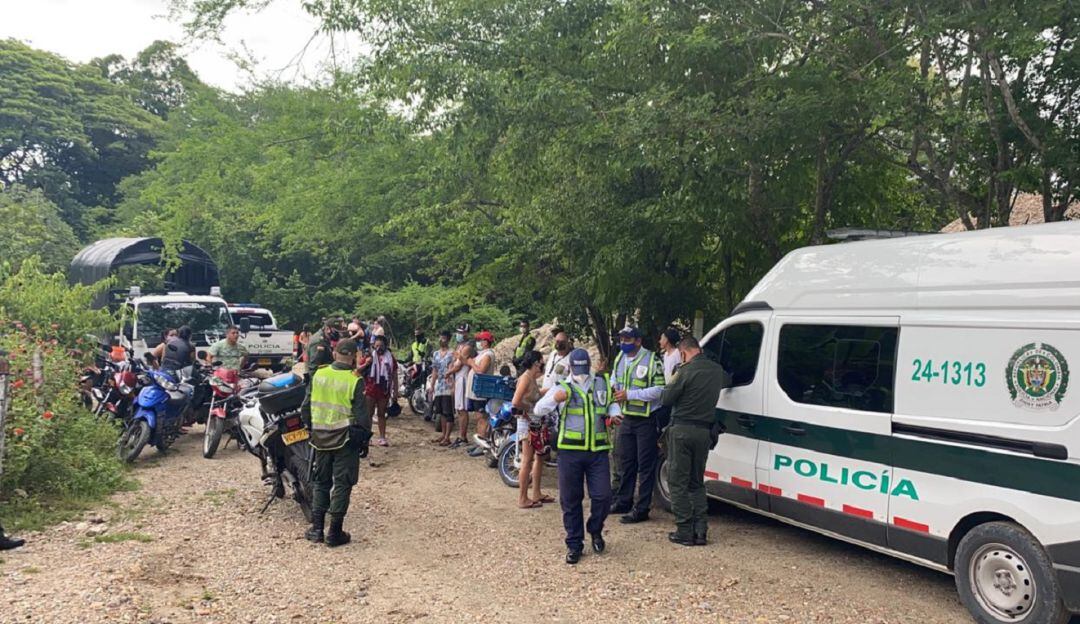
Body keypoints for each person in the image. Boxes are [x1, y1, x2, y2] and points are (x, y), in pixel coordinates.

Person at [534, 349, 622, 564]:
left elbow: (609, 402)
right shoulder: (562, 386)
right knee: (570, 500)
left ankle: (595, 528)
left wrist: (614, 413)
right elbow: (538, 409)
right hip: (570, 451)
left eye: (584, 368)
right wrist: (555, 398)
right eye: (578, 369)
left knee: (603, 496)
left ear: (588, 365)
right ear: (571, 367)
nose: (581, 372)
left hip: (598, 450)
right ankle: (574, 544)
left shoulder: (601, 382)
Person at [301, 339, 372, 547]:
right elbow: (362, 415)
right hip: (344, 440)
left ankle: (316, 529)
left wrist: (310, 428)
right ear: (354, 356)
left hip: (320, 439)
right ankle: (334, 532)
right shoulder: (354, 380)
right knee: (342, 483)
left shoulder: (319, 374)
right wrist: (365, 438)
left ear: (334, 353)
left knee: (321, 482)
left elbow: (306, 407)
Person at [660, 336, 729, 546]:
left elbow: (666, 399)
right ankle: (701, 531)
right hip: (704, 433)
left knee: (677, 482)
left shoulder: (685, 371)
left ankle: (684, 530)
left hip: (681, 431)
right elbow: (729, 381)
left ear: (682, 353)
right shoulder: (717, 371)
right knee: (697, 482)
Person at [609, 326, 666, 524]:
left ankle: (642, 508)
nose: (623, 343)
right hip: (626, 419)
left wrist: (631, 395)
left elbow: (660, 389)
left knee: (646, 466)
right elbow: (614, 381)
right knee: (626, 463)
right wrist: (614, 401)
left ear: (638, 341)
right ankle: (624, 501)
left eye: (627, 339)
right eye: (622, 339)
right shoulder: (619, 359)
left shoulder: (652, 360)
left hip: (646, 420)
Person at [512, 349, 554, 508]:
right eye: (541, 363)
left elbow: (534, 394)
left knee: (539, 457)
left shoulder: (531, 378)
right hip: (528, 423)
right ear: (536, 363)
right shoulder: (525, 379)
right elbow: (516, 401)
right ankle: (523, 498)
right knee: (527, 460)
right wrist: (530, 408)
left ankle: (536, 492)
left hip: (534, 423)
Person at [361, 334, 397, 447]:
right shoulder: (369, 357)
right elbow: (359, 369)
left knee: (382, 414)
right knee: (369, 414)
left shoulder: (390, 358)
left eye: (381, 345)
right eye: (376, 345)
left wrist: (395, 391)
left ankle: (382, 437)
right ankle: (367, 437)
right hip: (370, 389)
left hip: (384, 389)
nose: (378, 348)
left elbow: (394, 375)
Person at [464, 330, 496, 457]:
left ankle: (483, 445)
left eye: (480, 340)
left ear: (485, 342)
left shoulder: (488, 355)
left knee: (482, 417)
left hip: (482, 391)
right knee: (478, 417)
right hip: (476, 391)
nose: (478, 342)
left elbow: (481, 370)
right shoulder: (482, 354)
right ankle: (479, 443)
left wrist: (472, 363)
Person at [430, 331, 456, 446]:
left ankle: (447, 437)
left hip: (448, 384)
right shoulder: (436, 354)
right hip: (439, 385)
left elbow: (452, 368)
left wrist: (452, 385)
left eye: (444, 338)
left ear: (448, 339)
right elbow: (434, 370)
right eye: (440, 338)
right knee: (440, 412)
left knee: (448, 411)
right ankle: (443, 434)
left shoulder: (452, 353)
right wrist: (432, 385)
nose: (441, 340)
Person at [448, 341, 474, 448]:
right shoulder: (459, 346)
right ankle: (461, 435)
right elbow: (453, 361)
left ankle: (463, 437)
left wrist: (448, 372)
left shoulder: (467, 347)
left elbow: (458, 365)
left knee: (462, 409)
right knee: (459, 409)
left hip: (463, 378)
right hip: (458, 378)